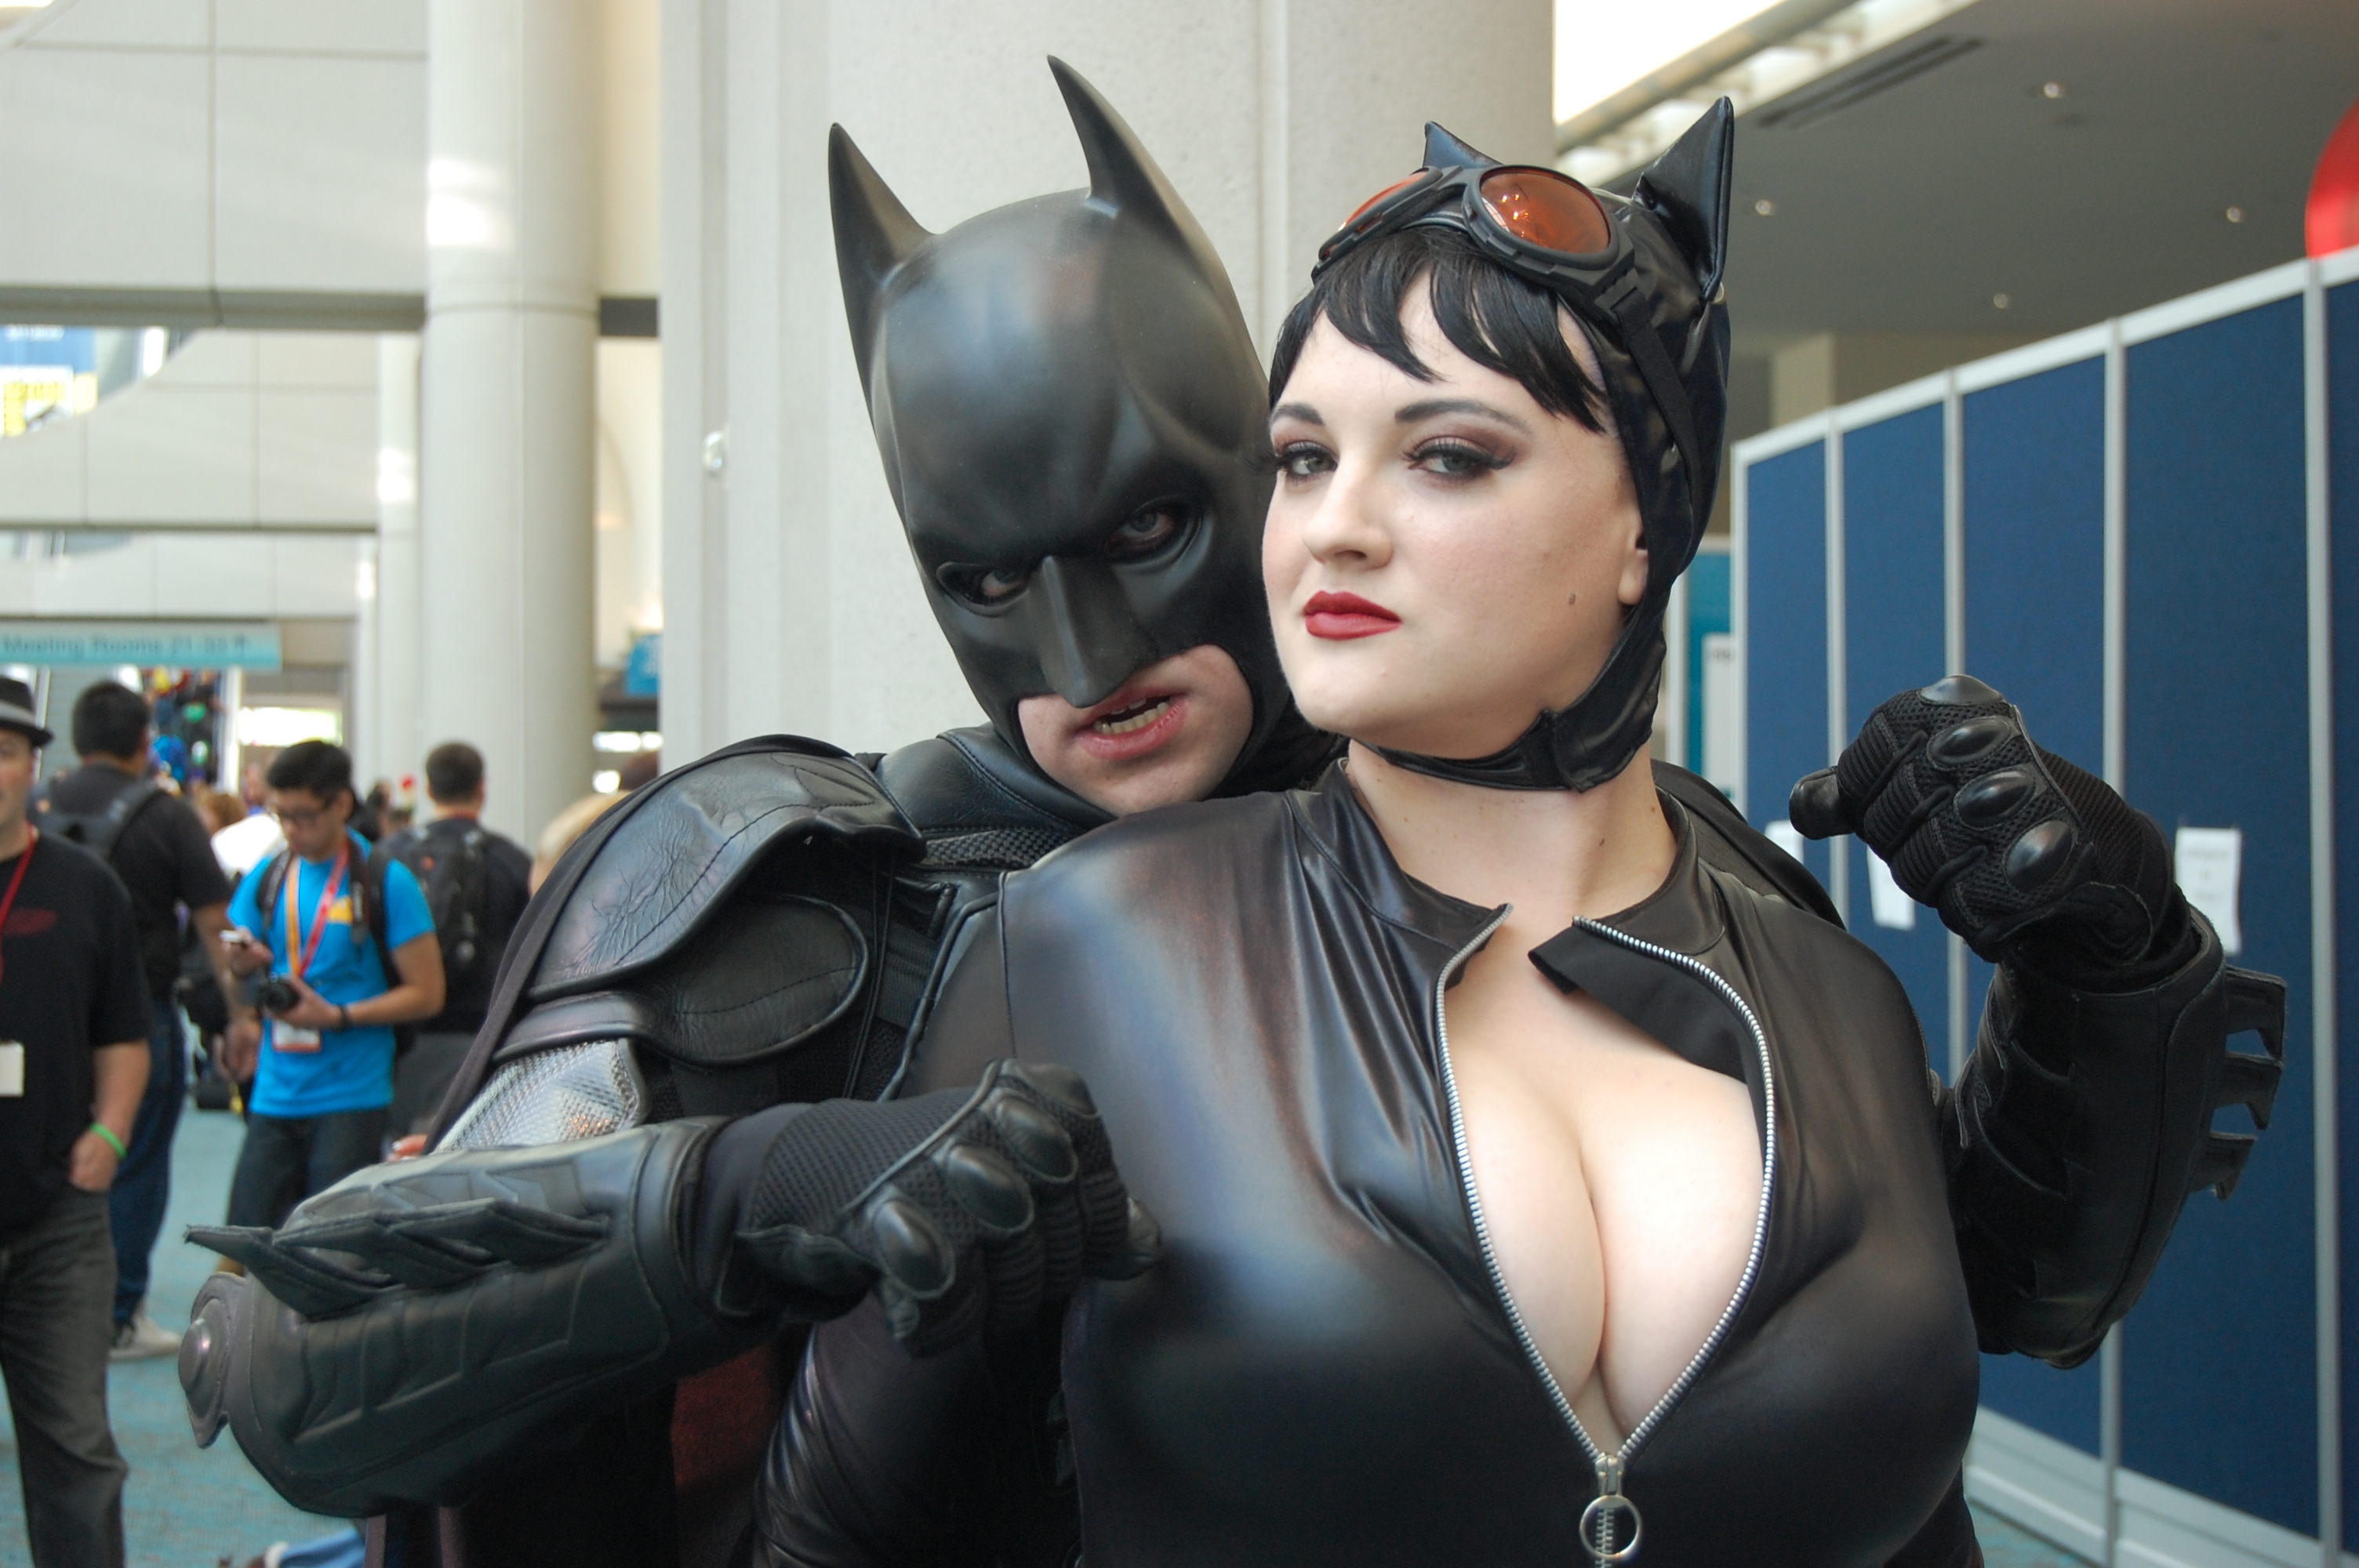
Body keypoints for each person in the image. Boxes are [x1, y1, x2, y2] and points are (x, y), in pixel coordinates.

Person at [751, 107, 2286, 1566]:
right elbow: (846, 1532)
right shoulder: (1087, 946)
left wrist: (2114, 954)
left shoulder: (1825, 990)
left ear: (1644, 520)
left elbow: (2019, 1318)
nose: (1334, 524)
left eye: (1448, 454)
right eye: (1301, 456)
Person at [38, 680, 242, 1361]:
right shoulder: (169, 816)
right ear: (143, 741)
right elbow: (215, 927)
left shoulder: (39, 806)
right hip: (140, 1014)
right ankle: (117, 1314)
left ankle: (44, 1308)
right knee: (134, 1160)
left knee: (39, 1158)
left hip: (45, 1020)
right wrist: (237, 1016)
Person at [0, 676, 152, 1567]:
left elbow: (124, 1034)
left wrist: (112, 1132)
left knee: (76, 1452)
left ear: (34, 766)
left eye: (4, 751)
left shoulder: (85, 884)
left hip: (57, 1214)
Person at [217, 741, 445, 1231]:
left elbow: (428, 993)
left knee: (331, 1245)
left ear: (341, 803)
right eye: (281, 816)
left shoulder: (385, 880)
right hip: (274, 1091)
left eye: (304, 816)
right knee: (241, 1239)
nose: (291, 830)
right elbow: (232, 972)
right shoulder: (270, 876)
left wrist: (339, 1017)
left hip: (353, 1094)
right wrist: (240, 969)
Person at [380, 742, 532, 1138]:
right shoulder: (511, 861)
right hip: (481, 1036)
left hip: (400, 1035)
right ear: (482, 788)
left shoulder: (390, 858)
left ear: (429, 790)